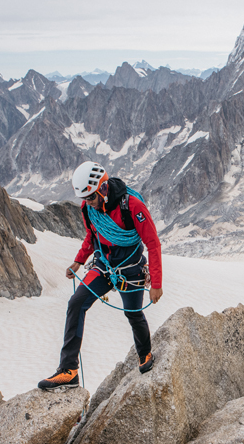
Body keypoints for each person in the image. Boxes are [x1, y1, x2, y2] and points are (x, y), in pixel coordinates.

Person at [38, 161, 163, 391]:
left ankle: (145, 354)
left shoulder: (132, 206)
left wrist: (156, 283)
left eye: (92, 198)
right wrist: (78, 260)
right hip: (104, 265)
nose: (89, 204)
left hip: (130, 269)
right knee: (76, 303)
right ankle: (68, 369)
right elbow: (92, 236)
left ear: (104, 189)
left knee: (133, 313)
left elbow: (152, 243)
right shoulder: (89, 210)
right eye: (85, 199)